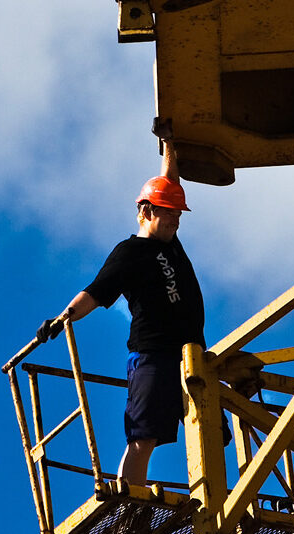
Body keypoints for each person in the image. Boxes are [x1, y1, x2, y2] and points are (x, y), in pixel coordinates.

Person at [34, 120, 212, 486]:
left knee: (212, 430)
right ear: (145, 211)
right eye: (169, 213)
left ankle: (220, 495)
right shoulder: (130, 252)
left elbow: (169, 181)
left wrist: (168, 144)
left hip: (191, 354)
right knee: (143, 436)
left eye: (179, 214)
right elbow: (96, 292)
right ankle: (131, 505)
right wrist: (63, 318)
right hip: (154, 354)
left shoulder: (169, 241)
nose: (176, 220)